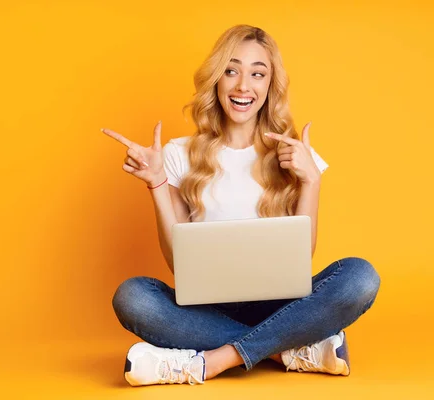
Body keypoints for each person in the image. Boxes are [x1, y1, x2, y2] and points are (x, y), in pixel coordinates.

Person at [101, 24, 380, 387]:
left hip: (283, 305)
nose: (242, 86)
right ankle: (287, 350)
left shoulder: (294, 155)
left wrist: (311, 180)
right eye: (231, 71)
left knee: (360, 277)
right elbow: (177, 264)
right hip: (206, 309)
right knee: (133, 297)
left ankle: (214, 360)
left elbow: (303, 255)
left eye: (257, 74)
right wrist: (156, 183)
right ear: (217, 79)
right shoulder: (177, 154)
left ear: (270, 85)